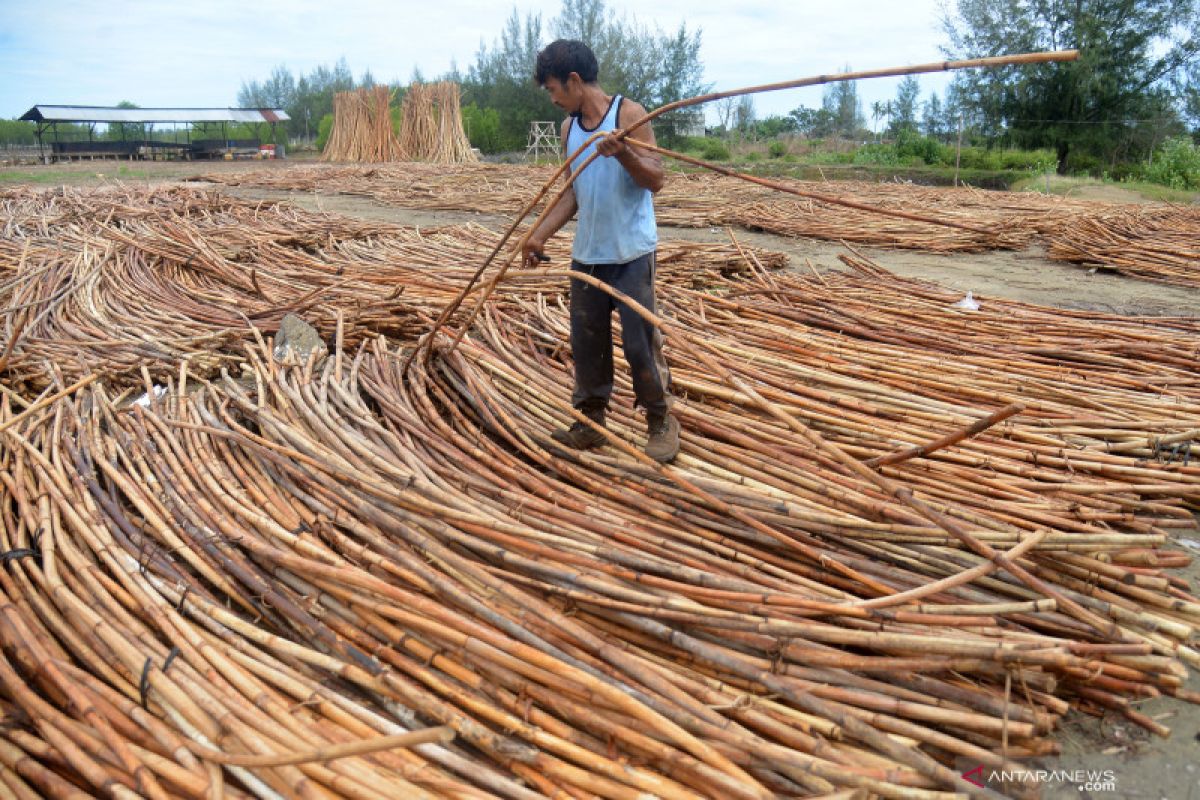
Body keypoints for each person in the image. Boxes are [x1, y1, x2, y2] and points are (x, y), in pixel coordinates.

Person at [522, 39, 680, 463]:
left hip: (631, 253)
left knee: (639, 344)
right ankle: (590, 424)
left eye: (554, 89)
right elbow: (573, 192)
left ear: (574, 81)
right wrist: (539, 235)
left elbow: (655, 179)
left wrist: (625, 152)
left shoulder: (628, 115)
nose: (553, 98)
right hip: (588, 255)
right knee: (587, 343)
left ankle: (660, 419)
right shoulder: (569, 129)